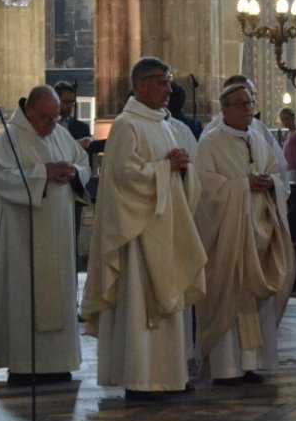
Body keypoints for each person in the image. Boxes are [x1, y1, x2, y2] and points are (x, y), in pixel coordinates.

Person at [81, 57, 207, 401]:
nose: (168, 89)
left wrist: (180, 170)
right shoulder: (127, 124)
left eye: (168, 81)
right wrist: (166, 167)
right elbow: (124, 177)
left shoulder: (164, 124)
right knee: (140, 304)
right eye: (161, 82)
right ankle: (141, 379)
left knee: (171, 303)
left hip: (167, 228)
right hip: (138, 234)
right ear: (140, 86)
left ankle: (169, 376)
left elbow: (182, 174)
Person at [0, 86, 90, 384]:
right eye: (44, 117)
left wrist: (74, 173)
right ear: (29, 111)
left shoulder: (61, 135)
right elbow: (0, 179)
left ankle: (58, 362)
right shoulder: (9, 139)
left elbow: (83, 162)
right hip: (21, 236)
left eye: (55, 117)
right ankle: (24, 365)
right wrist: (44, 173)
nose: (51, 124)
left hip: (59, 232)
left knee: (59, 292)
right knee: (25, 295)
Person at [194, 84, 295, 386]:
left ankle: (252, 363)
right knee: (230, 293)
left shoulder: (258, 140)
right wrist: (242, 186)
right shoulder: (211, 143)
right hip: (228, 233)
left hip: (259, 229)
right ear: (224, 109)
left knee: (256, 297)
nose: (247, 110)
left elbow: (279, 175)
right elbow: (204, 187)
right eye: (239, 105)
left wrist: (269, 184)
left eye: (250, 103)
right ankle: (226, 367)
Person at [203, 74, 285, 170]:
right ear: (225, 107)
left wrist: (271, 182)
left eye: (250, 96)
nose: (247, 105)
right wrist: (245, 183)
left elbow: (278, 166)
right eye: (240, 102)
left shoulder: (259, 131)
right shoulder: (210, 137)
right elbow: (206, 179)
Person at [55, 80, 92, 148]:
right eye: (66, 102)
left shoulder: (82, 128)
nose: (70, 106)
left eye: (72, 102)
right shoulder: (45, 124)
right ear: (55, 100)